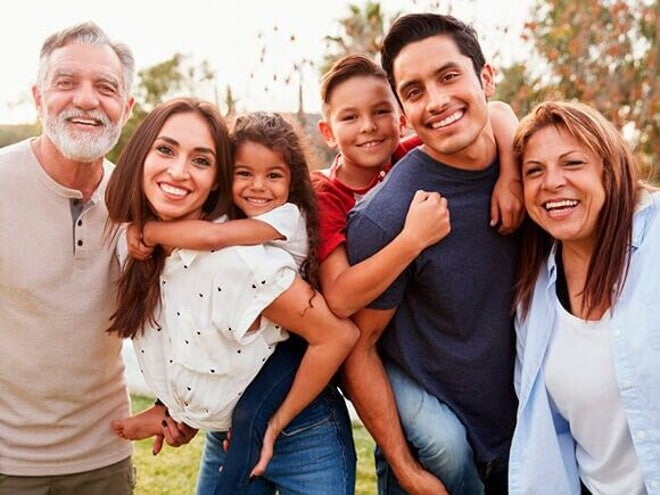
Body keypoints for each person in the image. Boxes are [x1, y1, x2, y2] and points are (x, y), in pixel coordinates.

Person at [104, 99, 359, 495]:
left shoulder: (241, 261)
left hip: (302, 431)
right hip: (225, 428)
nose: (178, 170)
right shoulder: (135, 246)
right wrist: (179, 408)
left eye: (201, 160)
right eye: (165, 149)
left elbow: (337, 335)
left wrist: (272, 425)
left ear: (215, 178)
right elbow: (193, 340)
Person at [343, 14, 521, 495]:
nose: (437, 101)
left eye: (448, 76)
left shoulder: (533, 170)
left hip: (529, 443)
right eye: (415, 91)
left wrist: (513, 172)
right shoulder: (389, 218)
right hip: (437, 463)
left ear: (485, 77)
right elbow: (358, 347)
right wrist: (405, 467)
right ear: (403, 110)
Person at [0, 22, 137, 494]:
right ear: (38, 99)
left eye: (106, 88)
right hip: (7, 461)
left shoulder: (137, 203)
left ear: (126, 108)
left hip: (105, 458)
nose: (86, 100)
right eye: (66, 83)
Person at [508, 101, 659, 495]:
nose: (552, 182)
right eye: (534, 171)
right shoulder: (533, 303)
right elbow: (550, 438)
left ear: (608, 171)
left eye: (573, 163)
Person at [313, 53, 522, 320]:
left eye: (380, 111)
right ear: (328, 133)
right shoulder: (324, 193)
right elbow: (339, 300)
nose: (368, 127)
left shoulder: (405, 159)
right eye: (350, 118)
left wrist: (510, 176)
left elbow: (496, 110)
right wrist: (413, 240)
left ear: (402, 122)